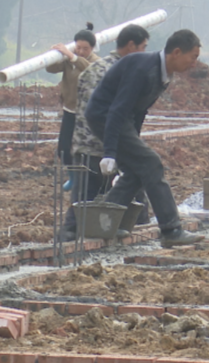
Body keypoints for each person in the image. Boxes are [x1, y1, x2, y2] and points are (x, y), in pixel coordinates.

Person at [85, 29, 203, 247]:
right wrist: (110, 152)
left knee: (137, 171)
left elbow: (139, 110)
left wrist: (134, 142)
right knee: (151, 163)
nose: (194, 63)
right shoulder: (144, 70)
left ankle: (104, 222)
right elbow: (118, 109)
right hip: (105, 115)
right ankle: (171, 230)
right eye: (193, 57)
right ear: (177, 52)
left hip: (121, 118)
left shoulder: (162, 74)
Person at [61, 23, 151, 241]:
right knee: (129, 198)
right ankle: (137, 233)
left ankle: (69, 242)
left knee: (83, 207)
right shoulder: (119, 72)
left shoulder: (96, 68)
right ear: (131, 46)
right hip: (104, 146)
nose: (144, 53)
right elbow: (113, 114)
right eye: (143, 47)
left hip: (91, 146)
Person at [46, 23, 100, 172]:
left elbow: (89, 70)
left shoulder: (96, 62)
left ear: (92, 48)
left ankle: (83, 176)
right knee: (64, 148)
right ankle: (73, 176)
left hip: (86, 113)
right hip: (69, 110)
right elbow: (51, 68)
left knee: (82, 149)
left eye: (85, 49)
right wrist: (54, 55)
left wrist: (73, 56)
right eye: (78, 47)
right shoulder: (69, 61)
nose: (81, 51)